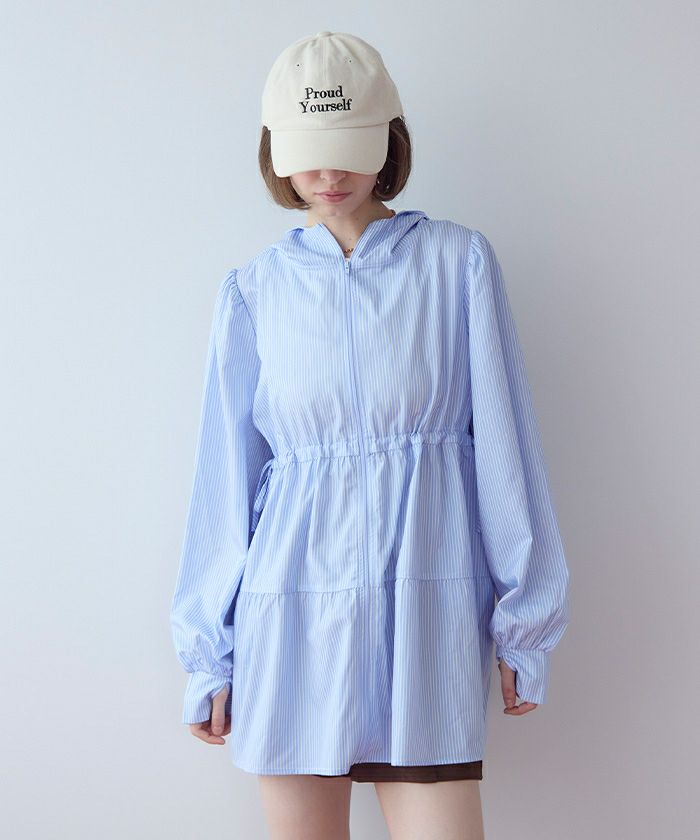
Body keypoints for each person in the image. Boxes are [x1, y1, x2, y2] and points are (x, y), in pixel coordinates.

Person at [170, 31, 570, 840]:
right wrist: (208, 652)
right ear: (277, 152)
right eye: (308, 153)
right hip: (290, 622)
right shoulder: (253, 292)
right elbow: (225, 479)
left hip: (424, 622)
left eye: (348, 148)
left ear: (388, 140)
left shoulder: (457, 264)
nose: (328, 174)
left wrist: (524, 622)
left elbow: (506, 451)